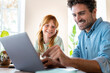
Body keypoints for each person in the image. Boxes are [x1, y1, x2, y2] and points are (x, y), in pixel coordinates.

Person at [42, 0, 110, 73]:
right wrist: (57, 63)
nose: (77, 19)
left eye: (81, 13)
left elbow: (105, 65)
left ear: (94, 12)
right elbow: (74, 61)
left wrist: (68, 61)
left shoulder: (107, 29)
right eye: (74, 15)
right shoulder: (82, 35)